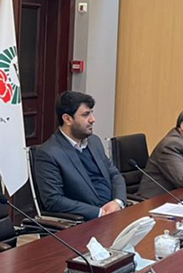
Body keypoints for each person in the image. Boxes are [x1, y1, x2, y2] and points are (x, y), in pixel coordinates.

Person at [34, 91, 127, 221]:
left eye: (91, 113)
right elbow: (53, 200)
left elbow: (115, 175)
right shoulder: (48, 153)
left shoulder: (94, 142)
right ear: (67, 119)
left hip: (114, 213)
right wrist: (100, 213)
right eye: (85, 115)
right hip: (86, 221)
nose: (92, 119)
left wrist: (117, 202)